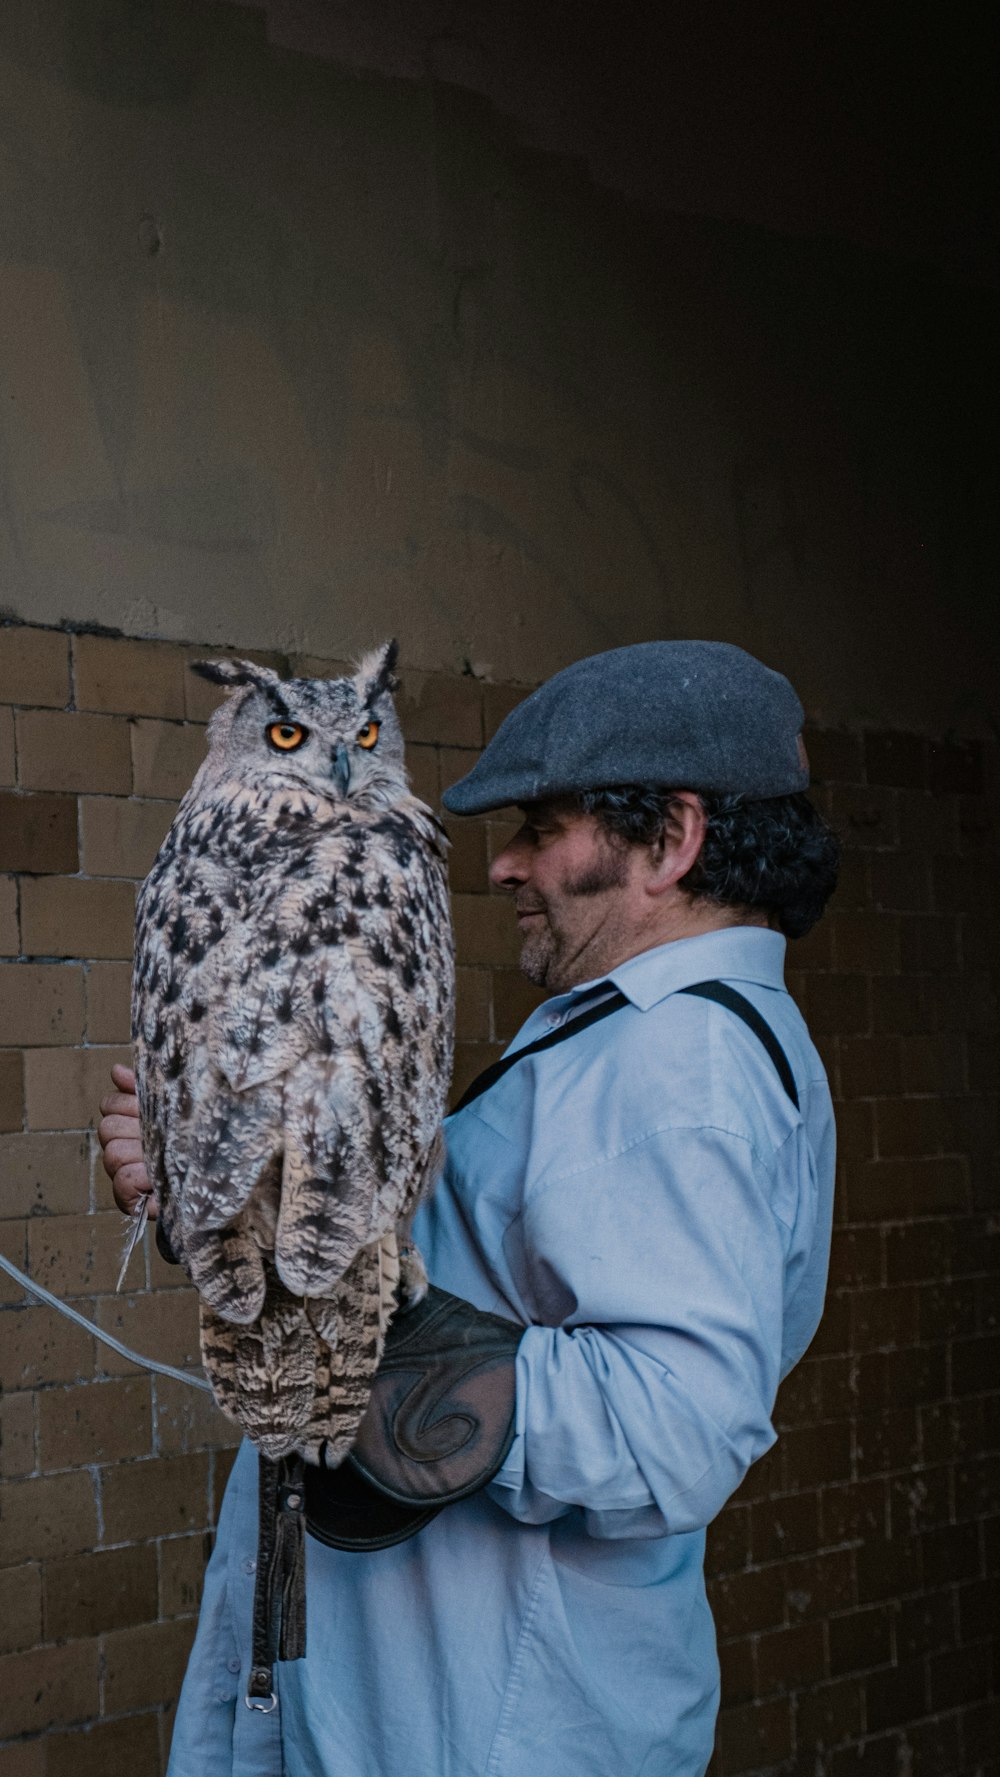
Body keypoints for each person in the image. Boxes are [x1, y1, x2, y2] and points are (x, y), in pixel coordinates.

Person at [100, 640, 839, 1777]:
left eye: (541, 829)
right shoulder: (621, 1031)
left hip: (486, 1723)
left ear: (672, 840)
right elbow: (439, 1262)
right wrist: (233, 1199)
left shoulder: (682, 1064)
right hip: (410, 1690)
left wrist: (346, 1339)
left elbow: (672, 1428)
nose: (499, 865)